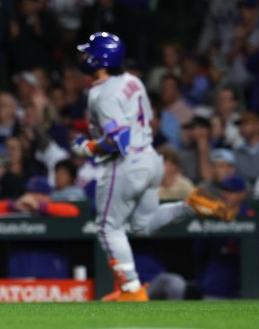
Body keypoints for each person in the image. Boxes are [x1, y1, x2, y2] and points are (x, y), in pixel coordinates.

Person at [71, 32, 230, 302]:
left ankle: (131, 289)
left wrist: (87, 147)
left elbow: (118, 140)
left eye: (91, 53)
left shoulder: (103, 94)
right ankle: (190, 205)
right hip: (150, 158)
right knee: (143, 225)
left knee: (108, 227)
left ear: (102, 58)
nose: (86, 57)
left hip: (126, 163)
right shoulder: (133, 80)